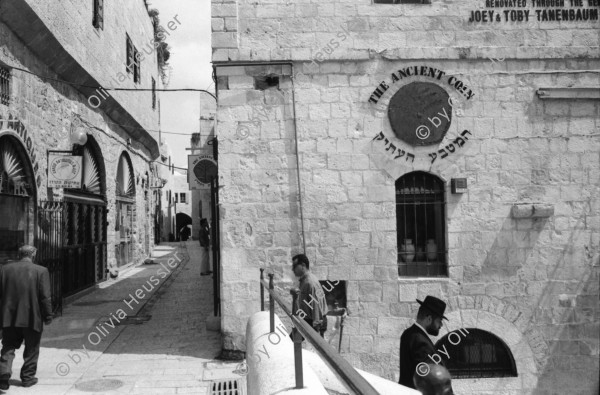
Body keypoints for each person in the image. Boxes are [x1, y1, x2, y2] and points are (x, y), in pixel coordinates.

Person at [0, 245, 53, 390]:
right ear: (34, 254)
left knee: (8, 346)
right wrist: (48, 315)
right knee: (32, 348)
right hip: (32, 317)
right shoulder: (41, 271)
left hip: (9, 317)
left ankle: (4, 372)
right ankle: (28, 378)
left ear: (19, 254)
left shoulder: (4, 269)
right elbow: (45, 297)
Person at [399, 295, 448, 389]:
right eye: (439, 321)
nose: (441, 325)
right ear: (429, 319)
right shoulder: (420, 341)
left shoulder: (408, 334)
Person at [290, 254, 328, 337]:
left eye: (295, 266)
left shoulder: (310, 283)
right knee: (292, 339)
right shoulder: (304, 281)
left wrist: (317, 328)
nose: (293, 269)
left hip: (314, 321)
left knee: (292, 340)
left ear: (303, 265)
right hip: (308, 319)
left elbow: (316, 305)